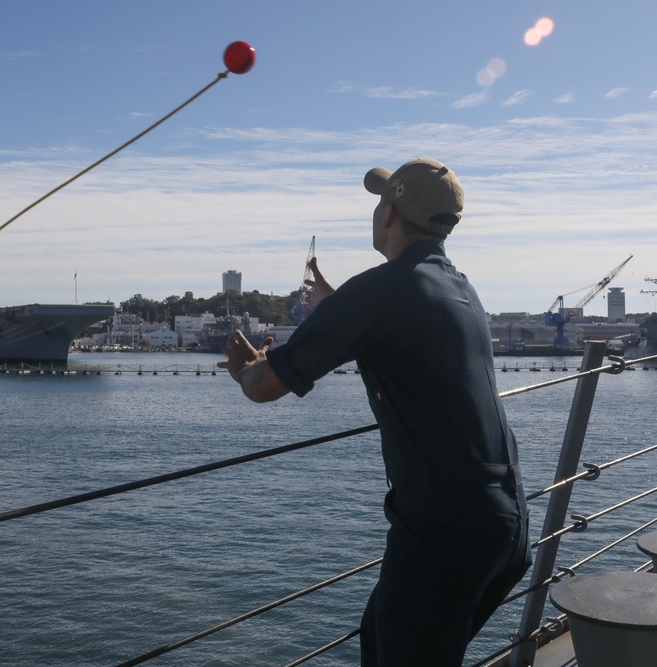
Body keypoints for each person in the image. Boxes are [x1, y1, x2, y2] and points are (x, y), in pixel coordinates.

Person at [218, 158, 531, 667]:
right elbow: (401, 328)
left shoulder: (378, 291)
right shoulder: (459, 287)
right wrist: (337, 307)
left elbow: (264, 387)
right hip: (505, 526)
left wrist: (248, 367)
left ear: (389, 214)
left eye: (381, 199)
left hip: (444, 534)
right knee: (381, 644)